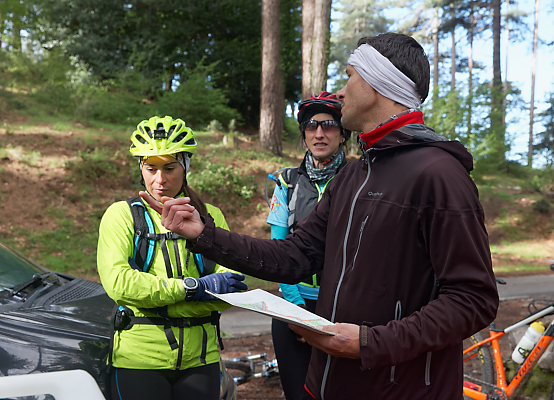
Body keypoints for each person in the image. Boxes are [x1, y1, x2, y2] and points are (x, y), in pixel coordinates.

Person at [142, 33, 499, 400]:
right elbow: (295, 255)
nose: (341, 92)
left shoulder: (438, 174)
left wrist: (369, 343)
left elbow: (473, 299)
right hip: (326, 384)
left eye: (350, 76)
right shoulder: (353, 175)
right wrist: (204, 234)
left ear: (378, 83)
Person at [97, 116, 247, 400]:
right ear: (140, 167)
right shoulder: (120, 215)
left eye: (169, 168)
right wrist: (193, 289)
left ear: (185, 166)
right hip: (138, 360)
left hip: (201, 359)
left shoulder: (211, 216)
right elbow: (120, 284)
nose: (160, 179)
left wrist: (158, 298)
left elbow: (232, 287)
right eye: (150, 169)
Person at [267, 91, 349, 400]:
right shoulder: (286, 183)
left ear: (343, 134)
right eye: (311, 126)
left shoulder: (360, 179)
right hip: (294, 304)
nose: (319, 133)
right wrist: (298, 312)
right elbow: (278, 250)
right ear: (303, 134)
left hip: (344, 307)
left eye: (329, 125)